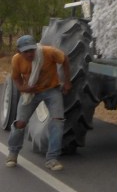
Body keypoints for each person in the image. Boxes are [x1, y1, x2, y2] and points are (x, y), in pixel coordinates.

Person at [5, 34, 72, 172]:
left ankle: (52, 159)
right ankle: (13, 153)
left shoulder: (49, 52)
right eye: (26, 51)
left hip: (51, 90)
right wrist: (23, 88)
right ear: (19, 51)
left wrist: (67, 82)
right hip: (31, 92)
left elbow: (65, 59)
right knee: (20, 123)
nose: (30, 54)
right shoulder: (16, 60)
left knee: (58, 121)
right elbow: (16, 78)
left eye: (32, 50)